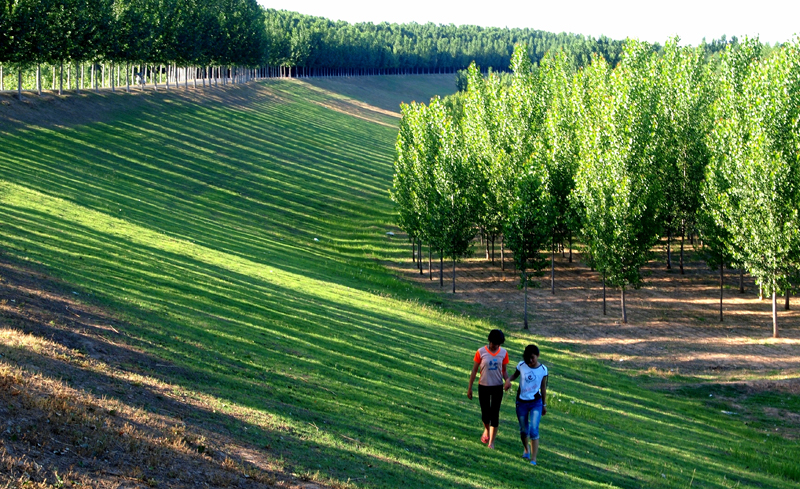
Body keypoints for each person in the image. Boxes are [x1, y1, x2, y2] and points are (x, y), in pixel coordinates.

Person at [504, 344, 548, 465]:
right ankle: (526, 449)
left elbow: (543, 387)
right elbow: (514, 375)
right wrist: (508, 381)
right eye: (528, 358)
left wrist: (544, 404)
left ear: (538, 355)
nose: (530, 361)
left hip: (536, 402)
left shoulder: (543, 370)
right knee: (524, 430)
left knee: (534, 430)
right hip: (521, 402)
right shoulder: (521, 365)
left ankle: (533, 459)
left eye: (532, 357)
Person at [467, 329, 509, 449]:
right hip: (483, 386)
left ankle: (491, 442)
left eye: (498, 344)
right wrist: (470, 387)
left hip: (497, 387)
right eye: (493, 343)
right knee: (485, 415)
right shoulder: (480, 352)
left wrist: (507, 380)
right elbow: (474, 370)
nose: (495, 346)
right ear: (489, 340)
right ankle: (486, 429)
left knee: (494, 414)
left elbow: (504, 370)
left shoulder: (504, 353)